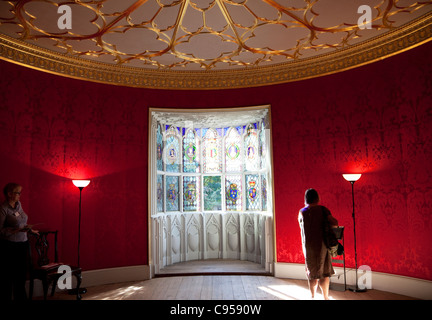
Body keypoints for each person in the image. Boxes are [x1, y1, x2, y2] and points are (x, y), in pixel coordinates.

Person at [298, 188, 338, 300]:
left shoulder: (302, 212)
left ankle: (312, 296)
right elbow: (335, 222)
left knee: (312, 272)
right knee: (325, 273)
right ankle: (325, 297)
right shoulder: (323, 210)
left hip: (308, 246)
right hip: (322, 246)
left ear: (306, 199)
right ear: (317, 198)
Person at [0, 183, 38, 300]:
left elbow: (21, 221)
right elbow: (0, 231)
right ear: (9, 194)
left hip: (23, 243)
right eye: (18, 193)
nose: (20, 195)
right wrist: (15, 230)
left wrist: (29, 229)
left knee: (21, 276)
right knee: (9, 276)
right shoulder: (3, 209)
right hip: (10, 246)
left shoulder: (18, 205)